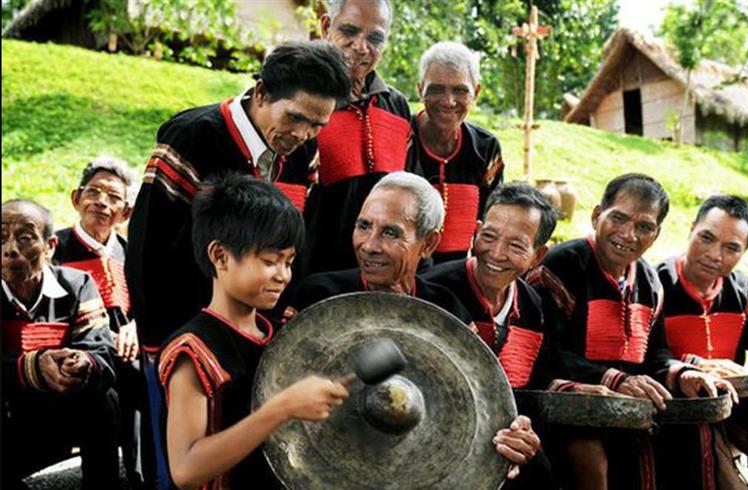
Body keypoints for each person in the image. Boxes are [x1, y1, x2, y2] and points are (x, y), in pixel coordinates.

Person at [125, 42, 349, 488]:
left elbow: (296, 243)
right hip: (186, 333)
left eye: (317, 125)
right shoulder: (193, 137)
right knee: (178, 461)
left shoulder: (303, 153)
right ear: (262, 93)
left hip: (250, 334)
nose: (303, 133)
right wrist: (161, 343)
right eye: (296, 118)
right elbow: (147, 248)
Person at [292, 172, 541, 481]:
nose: (369, 245)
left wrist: (515, 435)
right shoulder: (319, 295)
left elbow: (475, 405)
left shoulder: (447, 311)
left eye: (391, 233)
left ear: (429, 244)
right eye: (364, 226)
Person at [532, 173, 736, 490]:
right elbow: (543, 354)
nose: (628, 235)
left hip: (628, 411)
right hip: (569, 407)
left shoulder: (650, 282)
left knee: (696, 435)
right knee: (592, 455)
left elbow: (656, 354)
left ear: (655, 235)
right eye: (619, 218)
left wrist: (682, 373)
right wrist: (616, 379)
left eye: (644, 227)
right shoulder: (561, 266)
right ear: (597, 215)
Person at [158, 174, 349, 489]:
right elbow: (186, 470)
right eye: (270, 261)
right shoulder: (194, 352)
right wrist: (282, 408)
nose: (283, 276)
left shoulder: (281, 333)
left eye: (288, 262)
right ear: (220, 256)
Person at [422, 182, 563, 489]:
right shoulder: (433, 291)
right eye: (488, 236)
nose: (496, 253)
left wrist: (525, 433)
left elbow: (535, 389)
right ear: (475, 232)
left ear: (538, 255)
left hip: (504, 439)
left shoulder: (535, 307)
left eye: (516, 245)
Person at [657, 195, 748, 490]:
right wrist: (694, 365)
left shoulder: (744, 292)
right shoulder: (655, 284)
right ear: (691, 228)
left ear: (744, 251)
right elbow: (643, 351)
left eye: (731, 248)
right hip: (672, 402)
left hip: (733, 400)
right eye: (706, 238)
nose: (714, 254)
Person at [2, 199, 120, 490]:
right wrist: (33, 368)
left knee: (104, 396)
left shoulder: (77, 285)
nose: (10, 249)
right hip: (10, 417)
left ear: (50, 246)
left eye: (25, 238)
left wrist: (81, 362)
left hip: (62, 411)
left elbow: (102, 353)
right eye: (1, 237)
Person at [301, 0, 418, 275]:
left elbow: (409, 196)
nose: (361, 47)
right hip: (312, 276)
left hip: (378, 275)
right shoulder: (303, 102)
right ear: (327, 27)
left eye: (375, 38)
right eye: (350, 31)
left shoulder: (396, 106)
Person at [52, 156, 144, 488]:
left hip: (126, 352)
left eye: (113, 197)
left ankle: (140, 476)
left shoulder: (130, 252)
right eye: (94, 192)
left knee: (145, 377)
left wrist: (135, 327)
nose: (101, 203)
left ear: (126, 213)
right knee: (103, 394)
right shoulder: (56, 248)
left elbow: (144, 305)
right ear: (77, 198)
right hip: (81, 350)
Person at [410, 41, 504, 263]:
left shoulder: (486, 148)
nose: (448, 101)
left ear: (477, 92)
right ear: (419, 88)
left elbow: (494, 219)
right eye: (436, 89)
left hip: (456, 275)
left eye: (460, 91)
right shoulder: (403, 136)